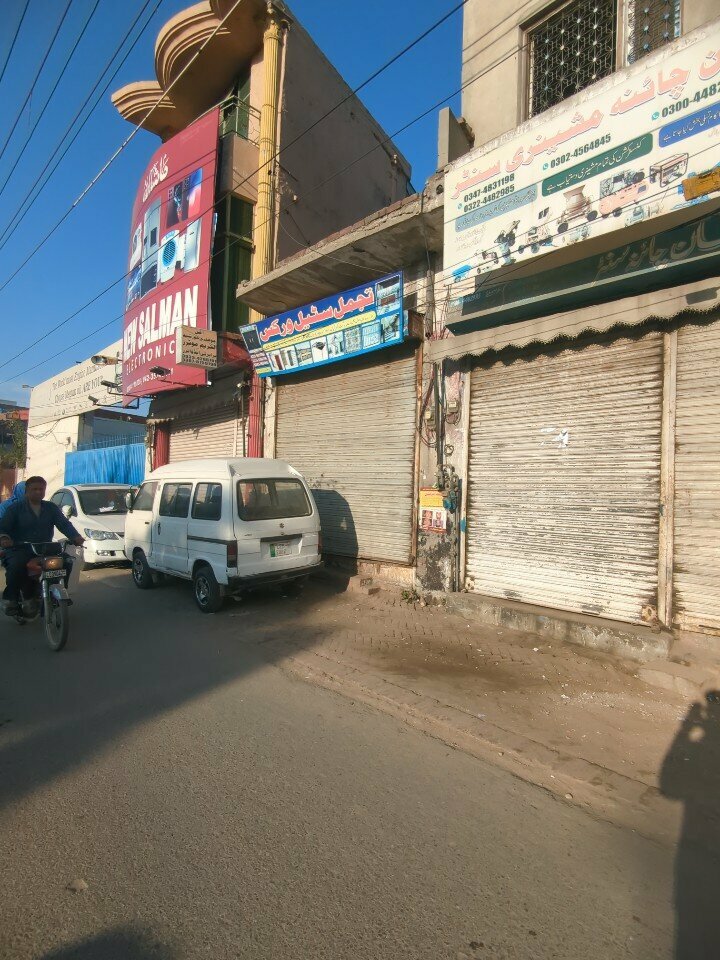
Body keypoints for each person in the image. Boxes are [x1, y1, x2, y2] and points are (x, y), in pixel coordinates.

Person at [0, 476, 84, 617]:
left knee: (66, 561)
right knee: (17, 565)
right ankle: (11, 599)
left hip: (45, 548)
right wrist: (4, 538)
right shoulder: (15, 508)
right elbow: (3, 527)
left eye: (41, 489)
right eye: (35, 489)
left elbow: (64, 524)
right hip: (20, 548)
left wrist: (75, 537)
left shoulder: (51, 507)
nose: (38, 492)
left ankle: (59, 591)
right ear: (27, 491)